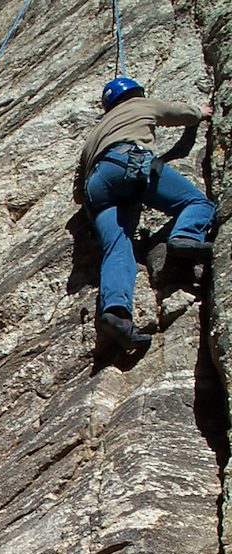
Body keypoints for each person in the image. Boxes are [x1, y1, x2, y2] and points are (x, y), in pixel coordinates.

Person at [74, 76, 216, 350]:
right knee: (197, 203)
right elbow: (176, 113)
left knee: (117, 247)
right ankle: (185, 237)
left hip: (96, 187)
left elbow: (78, 191)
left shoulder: (93, 135)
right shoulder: (140, 105)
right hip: (127, 161)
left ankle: (116, 313)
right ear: (135, 93)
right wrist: (200, 112)